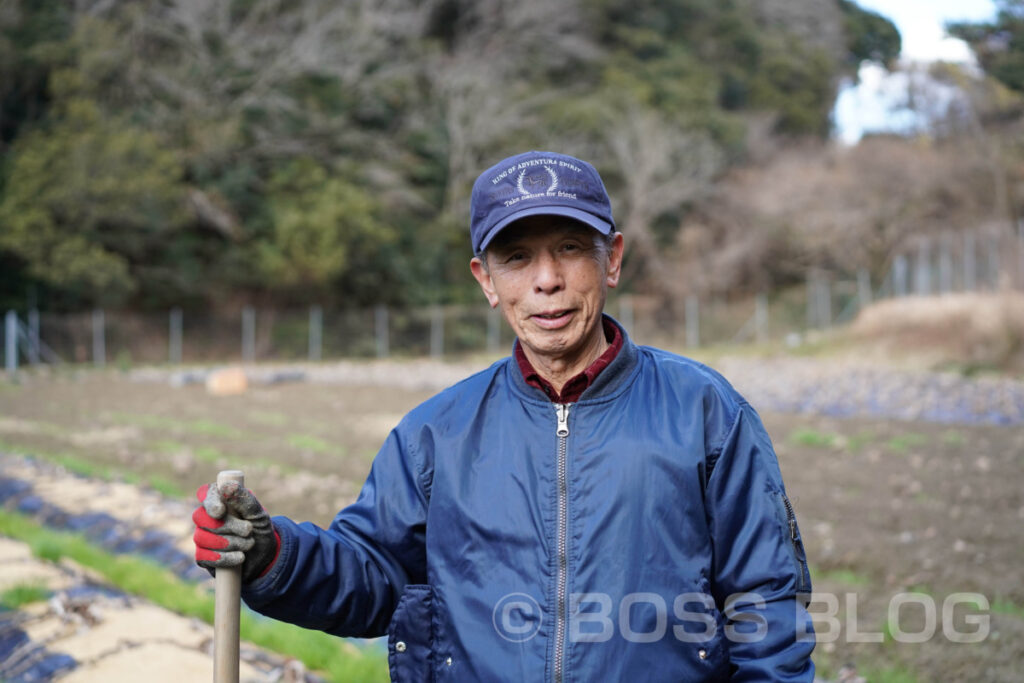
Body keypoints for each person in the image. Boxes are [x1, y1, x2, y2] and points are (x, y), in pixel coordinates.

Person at [192, 150, 815, 681]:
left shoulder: (707, 414)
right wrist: (275, 556)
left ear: (613, 259)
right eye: (516, 257)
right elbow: (374, 577)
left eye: (571, 248)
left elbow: (766, 604)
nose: (546, 280)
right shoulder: (435, 435)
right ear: (486, 280)